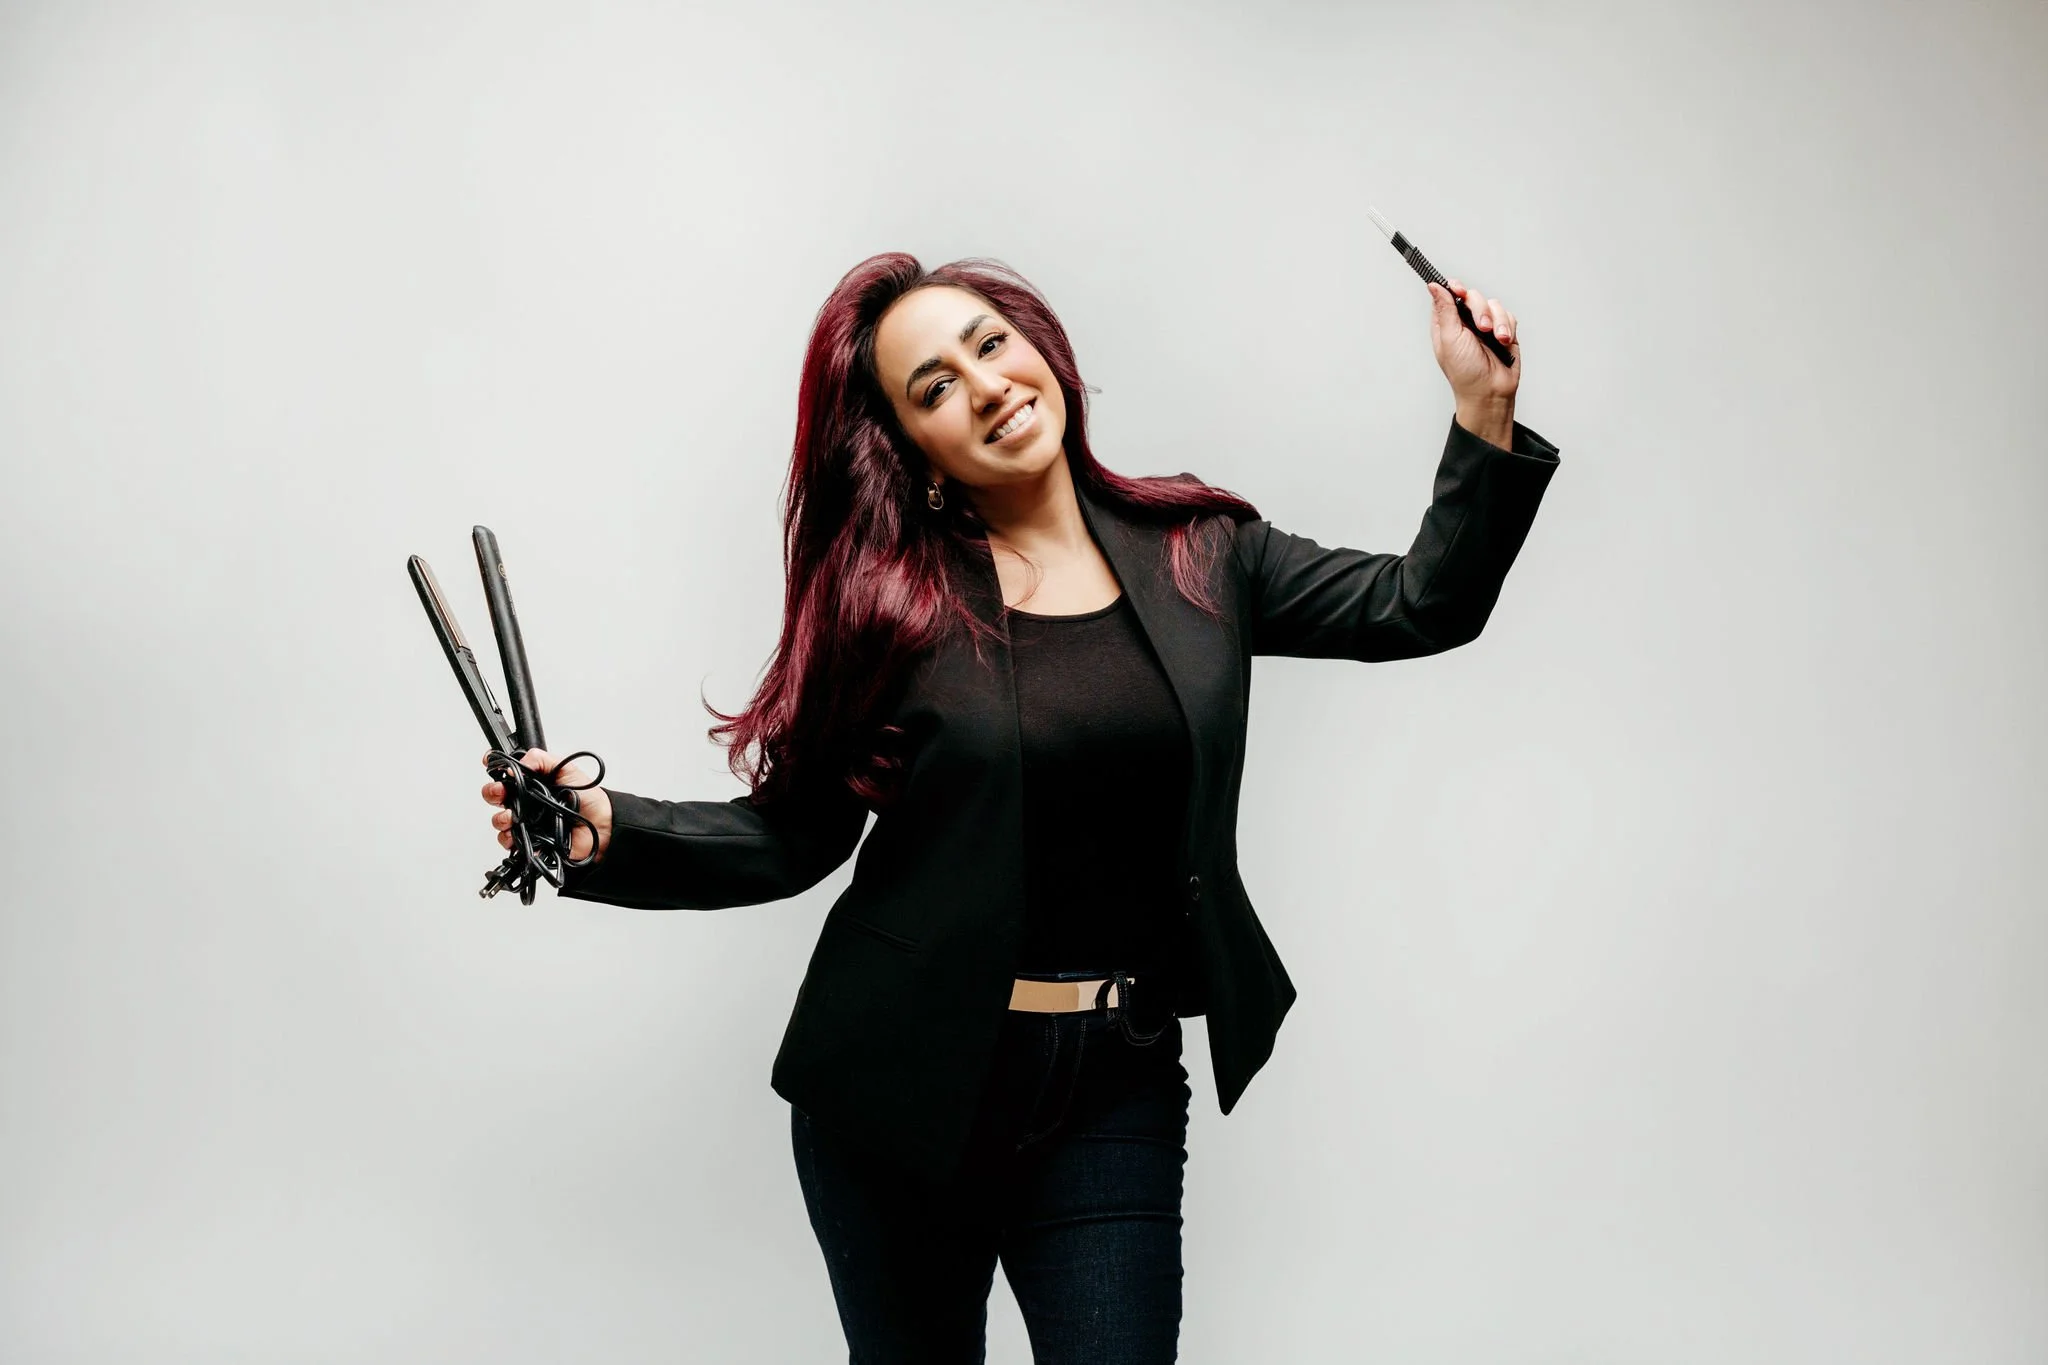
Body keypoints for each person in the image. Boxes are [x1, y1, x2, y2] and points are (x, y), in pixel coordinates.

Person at [479, 252, 1560, 1362]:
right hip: (897, 1085)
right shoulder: (891, 605)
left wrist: (1482, 409)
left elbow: (1421, 604)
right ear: (912, 447)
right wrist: (612, 829)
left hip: (1110, 1086)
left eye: (989, 344)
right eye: (933, 387)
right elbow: (794, 834)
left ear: (1039, 348)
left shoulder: (1201, 555)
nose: (984, 385)